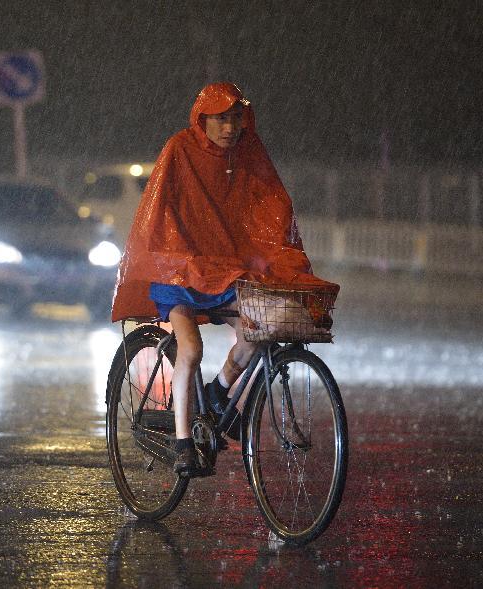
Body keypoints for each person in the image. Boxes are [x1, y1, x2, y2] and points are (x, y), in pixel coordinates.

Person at [111, 82, 339, 475]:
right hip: (180, 273)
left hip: (224, 271)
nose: (229, 127)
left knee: (257, 332)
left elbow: (271, 203)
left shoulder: (248, 154)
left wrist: (274, 256)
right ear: (202, 119)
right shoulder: (179, 149)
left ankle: (217, 395)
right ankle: (184, 443)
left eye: (236, 118)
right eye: (220, 119)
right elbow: (160, 212)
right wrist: (185, 255)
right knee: (191, 350)